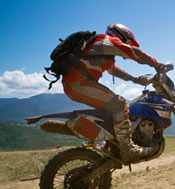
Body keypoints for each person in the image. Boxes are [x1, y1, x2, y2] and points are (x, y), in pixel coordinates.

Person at [62, 24, 165, 162]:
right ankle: (127, 148)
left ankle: (110, 147)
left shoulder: (100, 48)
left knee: (112, 112)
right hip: (79, 84)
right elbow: (134, 53)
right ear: (121, 35)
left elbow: (113, 70)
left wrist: (135, 79)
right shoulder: (107, 41)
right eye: (126, 41)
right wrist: (157, 64)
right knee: (120, 104)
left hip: (77, 84)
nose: (126, 44)